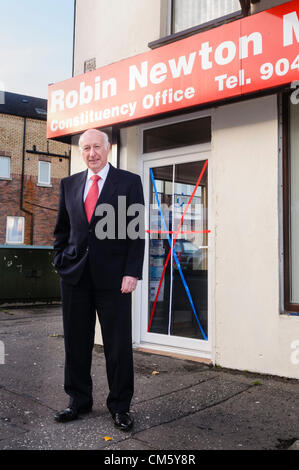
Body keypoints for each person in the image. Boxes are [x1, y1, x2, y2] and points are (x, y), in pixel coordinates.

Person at [53, 128, 145, 431]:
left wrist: (132, 271)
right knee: (76, 344)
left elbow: (135, 231)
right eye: (85, 148)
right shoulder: (69, 184)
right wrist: (60, 261)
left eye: (96, 147)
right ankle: (77, 401)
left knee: (118, 346)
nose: (91, 153)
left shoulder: (129, 182)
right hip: (75, 277)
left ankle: (120, 406)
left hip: (115, 279)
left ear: (108, 149)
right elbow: (62, 230)